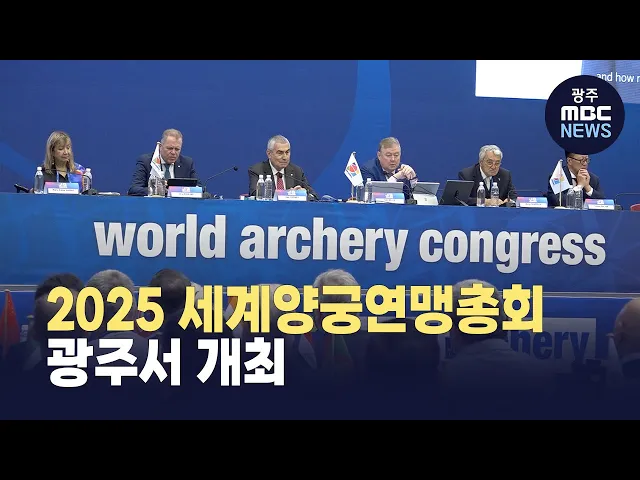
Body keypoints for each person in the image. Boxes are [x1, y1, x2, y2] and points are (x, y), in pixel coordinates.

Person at [127, 128, 199, 196]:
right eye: (170, 148)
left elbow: (200, 189)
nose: (173, 152)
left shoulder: (187, 163)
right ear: (160, 147)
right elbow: (133, 189)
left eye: (177, 149)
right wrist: (155, 190)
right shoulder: (146, 161)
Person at [248, 134, 319, 200]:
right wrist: (288, 194)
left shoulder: (297, 171)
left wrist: (302, 194)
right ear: (269, 154)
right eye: (280, 153)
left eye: (287, 152)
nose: (285, 157)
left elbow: (314, 196)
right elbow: (256, 194)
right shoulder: (257, 170)